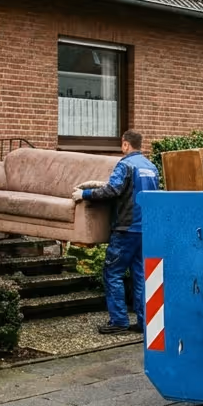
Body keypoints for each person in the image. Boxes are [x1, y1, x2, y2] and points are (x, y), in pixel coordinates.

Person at [74, 130, 160, 335]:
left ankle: (119, 321)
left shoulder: (125, 165)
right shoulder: (151, 167)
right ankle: (144, 322)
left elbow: (112, 191)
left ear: (125, 145)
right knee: (140, 275)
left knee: (113, 272)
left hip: (126, 229)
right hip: (145, 229)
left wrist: (83, 194)